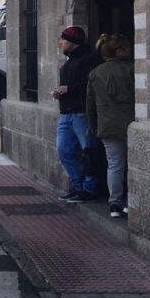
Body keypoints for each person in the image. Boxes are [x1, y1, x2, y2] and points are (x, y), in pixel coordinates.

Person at [86, 33, 134, 218]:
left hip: (106, 126)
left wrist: (93, 125)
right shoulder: (132, 69)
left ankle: (115, 202)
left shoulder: (95, 73)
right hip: (130, 123)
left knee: (114, 165)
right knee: (132, 165)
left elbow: (90, 104)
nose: (130, 50)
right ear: (119, 50)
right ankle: (130, 202)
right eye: (127, 47)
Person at [52, 26, 100, 202]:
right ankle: (78, 186)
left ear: (71, 42)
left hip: (81, 113)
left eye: (63, 40)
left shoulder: (88, 59)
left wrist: (69, 89)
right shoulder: (69, 61)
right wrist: (59, 92)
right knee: (63, 150)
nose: (60, 43)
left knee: (88, 151)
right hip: (66, 113)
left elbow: (91, 85)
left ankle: (89, 189)